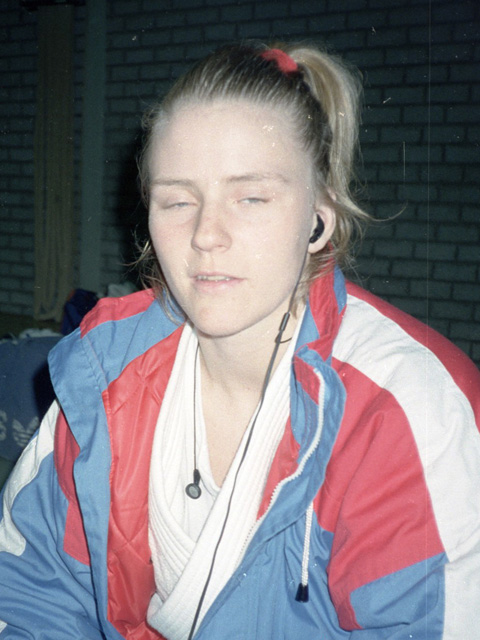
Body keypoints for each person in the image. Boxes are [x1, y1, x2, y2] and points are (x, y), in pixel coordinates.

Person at [0, 42, 479, 640]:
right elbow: (30, 596)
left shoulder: (408, 410)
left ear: (319, 216)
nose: (206, 234)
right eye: (178, 200)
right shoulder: (102, 373)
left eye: (250, 197)